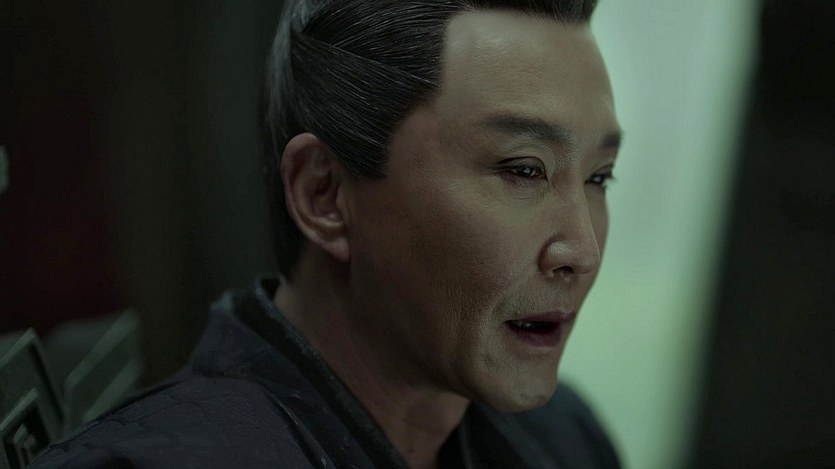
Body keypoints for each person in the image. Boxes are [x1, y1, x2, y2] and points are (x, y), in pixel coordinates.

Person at [33, 0, 622, 467]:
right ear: (324, 195)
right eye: (524, 170)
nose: (583, 251)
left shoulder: (564, 438)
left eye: (599, 177)